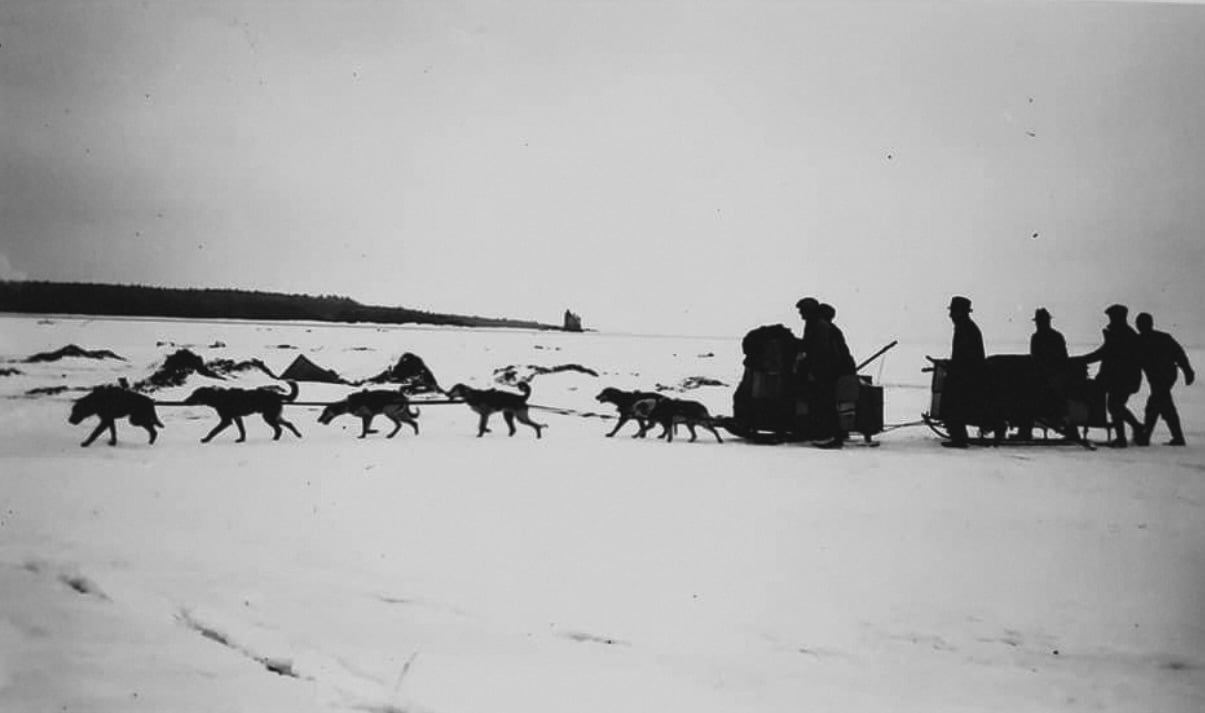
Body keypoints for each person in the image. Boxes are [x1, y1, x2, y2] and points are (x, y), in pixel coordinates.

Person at [1075, 304, 1144, 447]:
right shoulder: (1121, 333)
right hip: (1121, 378)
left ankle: (1124, 437)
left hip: (1123, 378)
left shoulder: (1123, 334)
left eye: (1112, 317)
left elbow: (1106, 353)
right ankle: (1134, 429)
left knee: (1115, 405)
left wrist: (1083, 359)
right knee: (1116, 406)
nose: (1110, 320)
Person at [1135, 312, 1195, 446]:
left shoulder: (1149, 340)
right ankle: (1173, 437)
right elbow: (1179, 354)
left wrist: (1188, 371)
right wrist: (1187, 371)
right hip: (1163, 376)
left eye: (1140, 323)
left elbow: (1179, 354)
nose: (1139, 326)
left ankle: (1147, 437)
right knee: (1161, 404)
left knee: (1157, 404)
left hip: (1163, 376)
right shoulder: (1146, 340)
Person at [794, 297, 845, 448]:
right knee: (822, 402)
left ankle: (831, 436)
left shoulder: (819, 326)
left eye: (802, 311)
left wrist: (813, 371)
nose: (801, 315)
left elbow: (820, 351)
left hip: (826, 371)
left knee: (825, 403)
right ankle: (826, 434)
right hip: (826, 370)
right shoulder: (815, 324)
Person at [1012, 308, 1069, 441]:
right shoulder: (1051, 336)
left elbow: (1039, 360)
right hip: (1049, 377)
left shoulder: (1041, 337)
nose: (1039, 324)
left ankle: (1025, 431)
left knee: (1025, 397)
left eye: (1040, 322)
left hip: (1051, 379)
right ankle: (1025, 430)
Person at [941, 296, 985, 448]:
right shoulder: (965, 327)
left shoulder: (966, 328)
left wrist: (953, 367)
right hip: (966, 373)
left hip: (968, 376)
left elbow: (965, 357)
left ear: (960, 312)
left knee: (952, 399)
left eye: (953, 312)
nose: (950, 315)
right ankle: (958, 435)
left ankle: (959, 438)